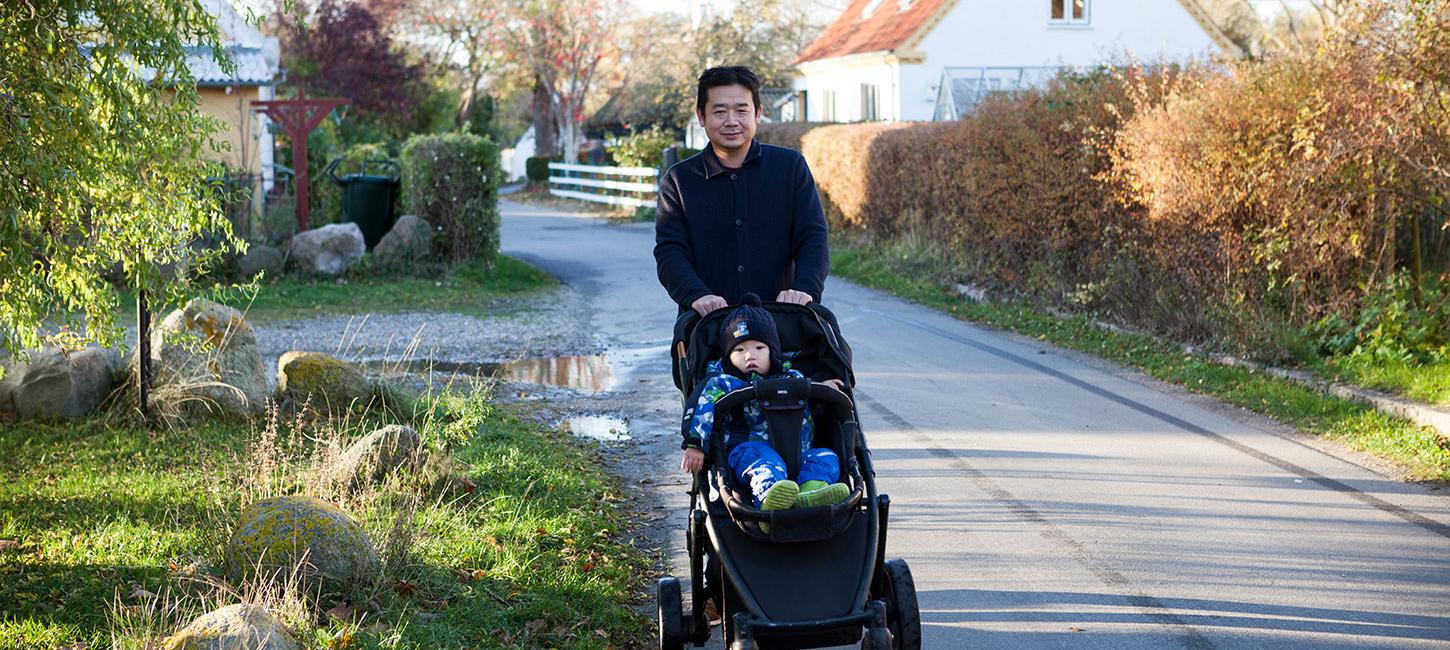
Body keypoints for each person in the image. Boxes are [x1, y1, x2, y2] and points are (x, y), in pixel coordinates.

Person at [654, 66, 829, 317]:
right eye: (720, 111)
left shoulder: (790, 168)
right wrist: (696, 295)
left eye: (741, 110)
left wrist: (804, 290)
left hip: (783, 320)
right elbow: (670, 251)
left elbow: (812, 237)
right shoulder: (679, 181)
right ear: (701, 116)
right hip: (708, 324)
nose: (732, 121)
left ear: (757, 113)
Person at [680, 294, 850, 515]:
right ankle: (769, 499)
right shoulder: (722, 383)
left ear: (773, 351)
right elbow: (702, 409)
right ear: (727, 356)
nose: (750, 355)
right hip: (749, 449)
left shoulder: (792, 377)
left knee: (827, 458)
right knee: (766, 464)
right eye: (739, 350)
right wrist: (695, 444)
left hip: (798, 453)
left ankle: (809, 492)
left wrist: (823, 387)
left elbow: (812, 398)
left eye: (759, 348)